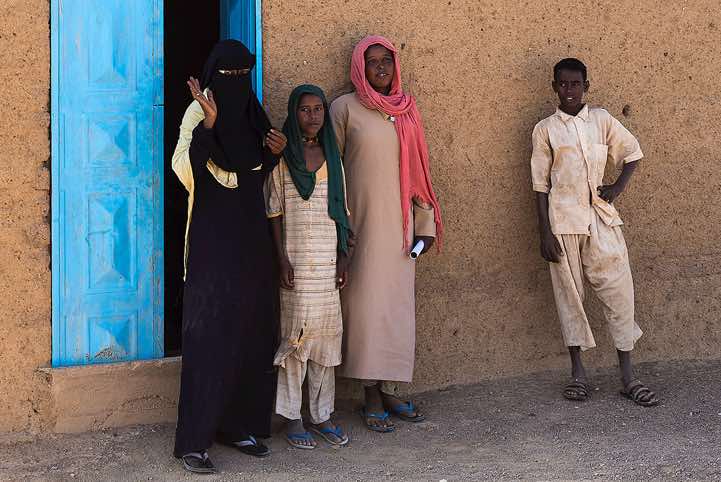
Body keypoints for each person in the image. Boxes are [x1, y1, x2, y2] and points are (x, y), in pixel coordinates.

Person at [170, 40, 288, 474]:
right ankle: (194, 442)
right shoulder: (198, 111)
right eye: (229, 76)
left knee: (251, 331)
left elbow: (254, 172)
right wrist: (209, 127)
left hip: (251, 239)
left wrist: (273, 154)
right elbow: (184, 171)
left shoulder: (254, 114)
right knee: (209, 335)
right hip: (211, 242)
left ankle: (239, 426)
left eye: (243, 76)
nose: (236, 84)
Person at [330, 35, 443, 432]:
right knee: (366, 310)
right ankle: (370, 395)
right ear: (359, 67)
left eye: (387, 61)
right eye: (372, 61)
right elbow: (333, 172)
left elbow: (418, 175)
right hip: (361, 226)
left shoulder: (407, 111)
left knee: (396, 311)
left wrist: (425, 225)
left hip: (400, 230)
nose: (380, 68)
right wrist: (339, 227)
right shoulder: (343, 109)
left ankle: (390, 388)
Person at [530, 57, 659, 407]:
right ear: (554, 87)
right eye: (562, 84)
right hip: (562, 224)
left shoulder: (601, 120)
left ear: (586, 87)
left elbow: (632, 154)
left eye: (575, 84)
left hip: (601, 218)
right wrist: (544, 232)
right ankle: (578, 374)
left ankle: (628, 377)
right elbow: (540, 185)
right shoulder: (545, 130)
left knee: (619, 291)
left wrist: (616, 188)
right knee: (569, 297)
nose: (569, 90)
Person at [265, 84, 352, 449]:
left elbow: (343, 211)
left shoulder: (333, 156)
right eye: (305, 110)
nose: (313, 116)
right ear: (293, 112)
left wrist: (345, 257)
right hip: (297, 261)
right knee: (295, 340)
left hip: (328, 262)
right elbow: (274, 210)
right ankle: (292, 416)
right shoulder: (282, 157)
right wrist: (281, 257)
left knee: (326, 340)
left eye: (318, 109)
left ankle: (322, 415)